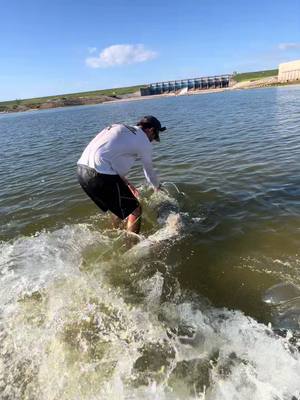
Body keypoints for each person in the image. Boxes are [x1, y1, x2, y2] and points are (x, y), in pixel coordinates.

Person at [77, 115, 166, 234]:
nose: (153, 139)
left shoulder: (118, 127)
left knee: (119, 208)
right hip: (100, 175)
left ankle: (113, 234)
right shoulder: (144, 141)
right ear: (151, 130)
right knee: (136, 210)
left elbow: (103, 155)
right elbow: (149, 172)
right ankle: (131, 246)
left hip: (81, 171)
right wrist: (157, 188)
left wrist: (125, 183)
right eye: (155, 136)